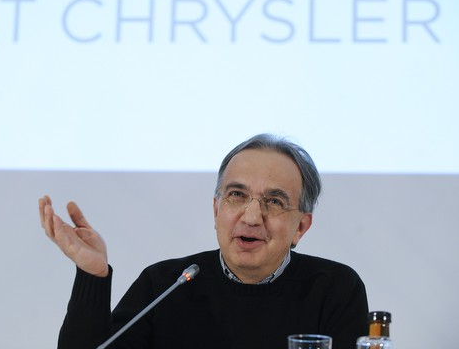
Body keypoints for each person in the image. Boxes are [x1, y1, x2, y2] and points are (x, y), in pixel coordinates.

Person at [39, 133, 368, 348]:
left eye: (275, 202)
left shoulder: (334, 289)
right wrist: (92, 277)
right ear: (216, 209)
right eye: (237, 195)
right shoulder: (166, 285)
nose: (252, 216)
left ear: (301, 227)